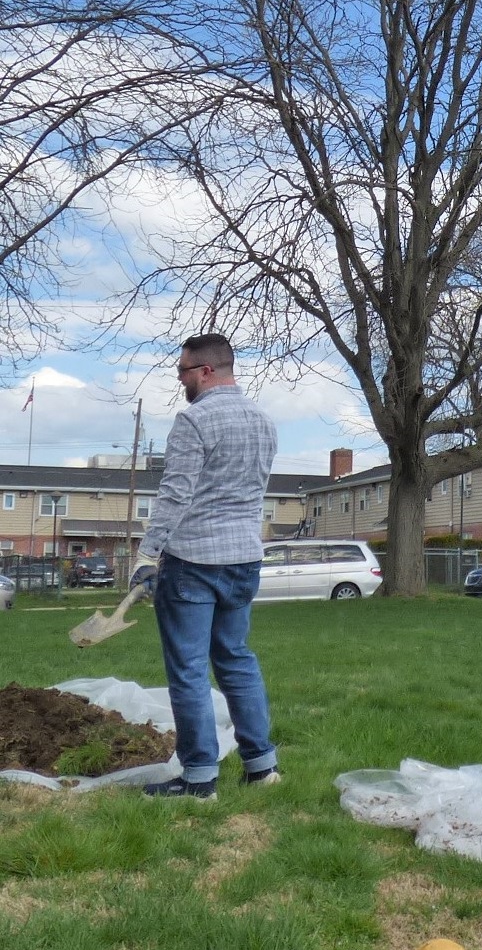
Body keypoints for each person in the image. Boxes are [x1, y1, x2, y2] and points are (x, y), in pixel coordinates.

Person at [131, 333, 280, 800]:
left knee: (189, 670)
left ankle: (199, 780)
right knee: (235, 658)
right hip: (243, 560)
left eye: (183, 372)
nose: (181, 380)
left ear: (207, 371)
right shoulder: (264, 421)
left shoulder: (193, 421)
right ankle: (262, 768)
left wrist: (148, 554)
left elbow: (176, 493)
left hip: (193, 561)